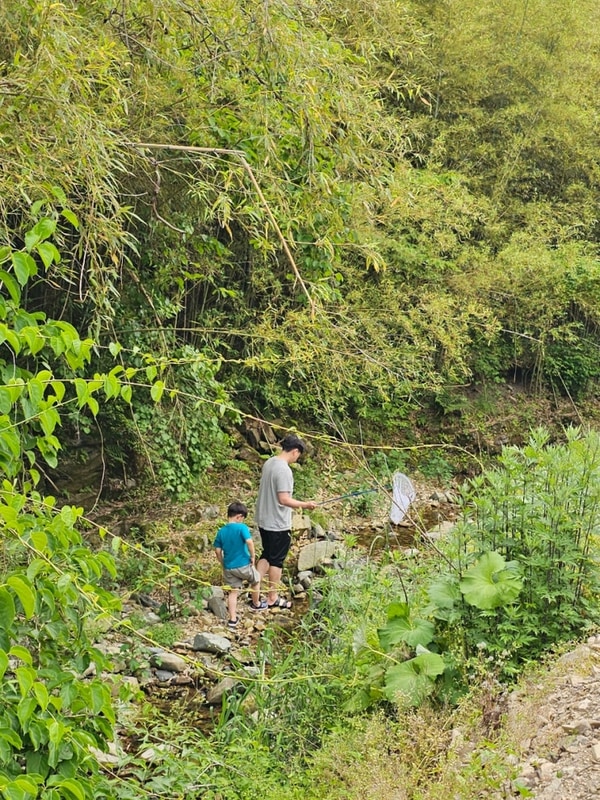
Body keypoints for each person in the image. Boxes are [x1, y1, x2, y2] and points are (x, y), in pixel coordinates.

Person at [255, 434, 317, 609]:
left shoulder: (270, 463)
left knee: (267, 554)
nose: (297, 458)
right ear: (295, 451)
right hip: (277, 524)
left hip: (263, 519)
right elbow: (283, 499)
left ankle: (255, 590)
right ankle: (273, 597)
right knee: (277, 560)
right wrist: (305, 505)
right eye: (299, 454)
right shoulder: (283, 469)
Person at [213, 501, 267, 628]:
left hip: (229, 567)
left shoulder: (221, 531)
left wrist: (222, 562)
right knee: (256, 580)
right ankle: (256, 604)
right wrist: (253, 556)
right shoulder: (241, 527)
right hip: (243, 565)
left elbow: (217, 550)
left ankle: (232, 619)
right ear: (239, 516)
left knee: (233, 591)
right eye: (242, 518)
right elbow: (249, 542)